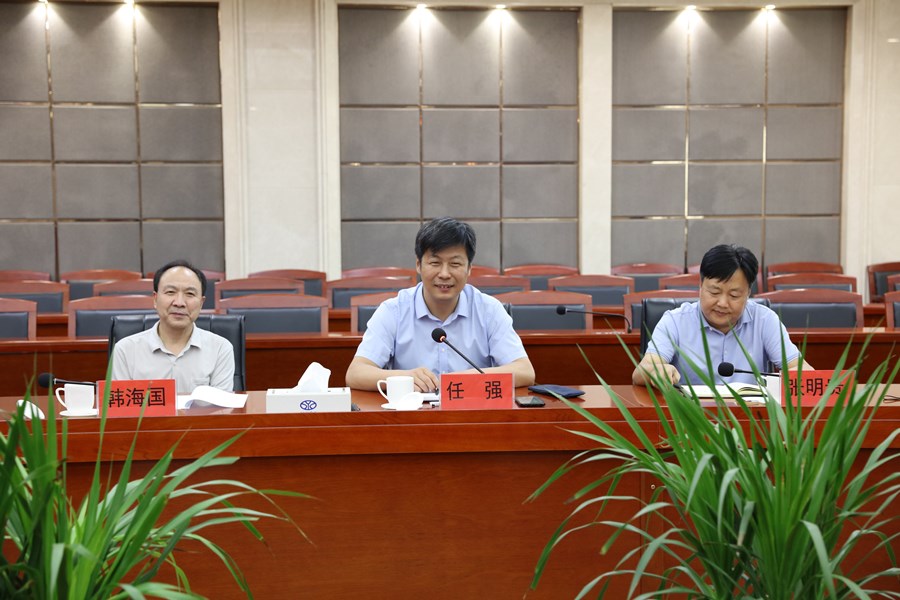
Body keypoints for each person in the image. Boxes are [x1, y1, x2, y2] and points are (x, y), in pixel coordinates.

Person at [345, 217, 536, 392]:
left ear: (469, 268)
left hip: (471, 412)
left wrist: (466, 379)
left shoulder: (489, 310)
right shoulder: (393, 311)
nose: (444, 274)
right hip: (412, 413)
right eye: (435, 263)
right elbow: (355, 373)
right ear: (418, 265)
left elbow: (525, 371)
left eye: (455, 264)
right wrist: (403, 378)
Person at [632, 244, 811, 387]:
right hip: (690, 416)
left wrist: (800, 375)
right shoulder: (675, 321)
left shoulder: (765, 320)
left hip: (752, 416)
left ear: (748, 293)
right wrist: (657, 372)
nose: (723, 303)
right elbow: (640, 373)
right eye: (715, 292)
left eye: (734, 295)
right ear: (700, 286)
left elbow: (799, 368)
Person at [111, 260, 235, 393]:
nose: (179, 303)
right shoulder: (125, 350)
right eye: (170, 292)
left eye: (190, 294)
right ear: (155, 299)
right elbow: (120, 404)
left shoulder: (220, 349)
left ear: (201, 303)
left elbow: (222, 405)